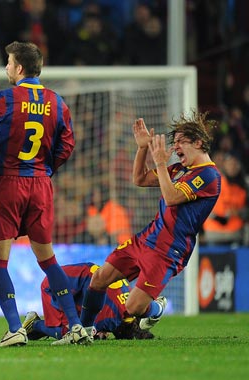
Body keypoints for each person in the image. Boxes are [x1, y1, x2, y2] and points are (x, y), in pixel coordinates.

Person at [0, 41, 90, 347]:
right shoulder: (56, 102)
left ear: (19, 68)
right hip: (40, 185)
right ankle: (75, 326)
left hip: (8, 183)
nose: (6, 68)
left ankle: (15, 328)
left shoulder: (9, 97)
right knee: (47, 258)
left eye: (9, 63)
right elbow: (67, 143)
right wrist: (46, 168)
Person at [72, 113, 221, 345]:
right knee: (99, 278)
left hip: (169, 250)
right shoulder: (178, 170)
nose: (175, 147)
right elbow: (139, 179)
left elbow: (171, 198)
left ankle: (156, 308)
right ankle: (84, 331)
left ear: (199, 143)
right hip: (147, 238)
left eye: (181, 141)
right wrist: (142, 149)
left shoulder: (209, 175)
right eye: (175, 142)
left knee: (133, 306)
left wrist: (161, 163)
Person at [22, 262, 154, 341]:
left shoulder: (134, 302)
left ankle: (38, 329)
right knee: (75, 333)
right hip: (53, 285)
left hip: (77, 283)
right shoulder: (110, 320)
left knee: (80, 325)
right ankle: (35, 324)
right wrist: (97, 331)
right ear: (117, 331)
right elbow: (89, 330)